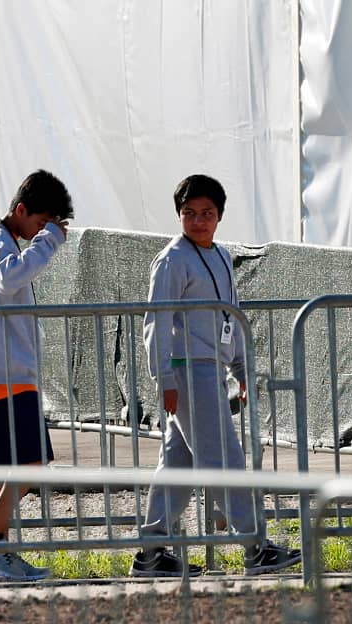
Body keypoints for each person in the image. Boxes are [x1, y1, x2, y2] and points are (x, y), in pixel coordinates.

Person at [132, 174, 301, 578]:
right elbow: (156, 322)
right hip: (189, 370)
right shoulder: (172, 260)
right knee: (224, 458)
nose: (198, 220)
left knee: (179, 463)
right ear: (179, 215)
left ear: (219, 216)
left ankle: (151, 551)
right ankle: (254, 544)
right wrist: (165, 381)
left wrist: (241, 368)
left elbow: (232, 314)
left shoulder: (222, 255)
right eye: (189, 213)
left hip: (210, 370)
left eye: (207, 213)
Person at [0, 169, 72, 582]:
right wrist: (48, 242)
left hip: (8, 373)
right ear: (21, 210)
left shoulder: (1, 239)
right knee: (30, 464)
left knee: (14, 465)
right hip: (1, 375)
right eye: (41, 223)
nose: (44, 232)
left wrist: (42, 238)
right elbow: (9, 280)